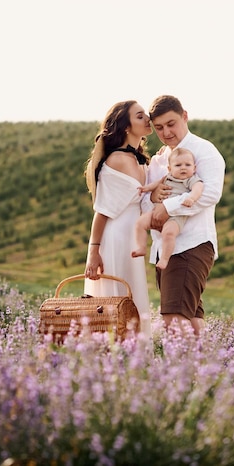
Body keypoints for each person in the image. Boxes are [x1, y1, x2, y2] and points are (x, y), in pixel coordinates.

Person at [141, 95, 225, 336]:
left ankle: (179, 373)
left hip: (190, 245)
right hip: (165, 248)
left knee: (173, 321)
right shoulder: (158, 161)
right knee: (191, 321)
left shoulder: (204, 150)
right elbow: (147, 201)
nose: (166, 132)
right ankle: (206, 371)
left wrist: (168, 207)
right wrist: (154, 200)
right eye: (158, 127)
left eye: (171, 124)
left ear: (185, 116)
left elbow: (210, 194)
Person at [84, 100, 153, 338]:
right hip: (114, 238)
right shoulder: (117, 160)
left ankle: (133, 357)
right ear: (126, 126)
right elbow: (101, 211)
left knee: (131, 296)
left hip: (132, 238)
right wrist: (94, 251)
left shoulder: (140, 160)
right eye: (140, 116)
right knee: (114, 299)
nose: (148, 119)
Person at [131, 147, 204, 270]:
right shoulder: (167, 177)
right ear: (170, 169)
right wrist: (147, 188)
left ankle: (165, 259)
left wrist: (192, 198)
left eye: (188, 165)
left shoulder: (190, 180)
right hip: (157, 211)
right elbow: (156, 184)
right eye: (178, 165)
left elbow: (198, 188)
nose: (183, 168)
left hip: (175, 217)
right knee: (140, 223)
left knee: (169, 233)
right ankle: (141, 247)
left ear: (194, 168)